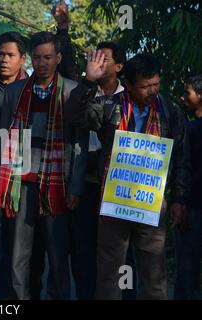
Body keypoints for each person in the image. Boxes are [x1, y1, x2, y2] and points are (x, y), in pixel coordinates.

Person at [65, 52, 191, 299]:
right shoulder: (110, 106)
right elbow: (73, 116)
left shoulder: (169, 111)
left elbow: (182, 157)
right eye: (145, 86)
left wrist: (178, 199)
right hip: (114, 201)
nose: (153, 90)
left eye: (156, 84)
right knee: (110, 275)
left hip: (151, 201)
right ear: (129, 85)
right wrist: (89, 82)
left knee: (154, 275)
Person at [0, 31, 87, 300]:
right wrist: (1, 185)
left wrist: (76, 187)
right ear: (30, 59)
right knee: (18, 259)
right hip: (21, 185)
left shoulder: (72, 91)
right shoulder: (14, 92)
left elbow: (79, 143)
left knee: (58, 258)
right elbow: (3, 137)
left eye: (48, 57)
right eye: (37, 57)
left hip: (58, 186)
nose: (42, 63)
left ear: (58, 58)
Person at [70, 41, 126, 300]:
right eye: (96, 57)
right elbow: (72, 116)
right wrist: (88, 82)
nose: (98, 63)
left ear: (119, 66)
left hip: (117, 192)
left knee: (118, 256)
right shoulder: (85, 92)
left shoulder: (129, 99)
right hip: (85, 185)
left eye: (105, 59)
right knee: (83, 253)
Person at [173, 74, 202, 299]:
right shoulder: (189, 128)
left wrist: (180, 201)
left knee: (187, 271)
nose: (183, 97)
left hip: (192, 206)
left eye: (188, 92)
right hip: (191, 205)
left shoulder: (190, 130)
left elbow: (181, 168)